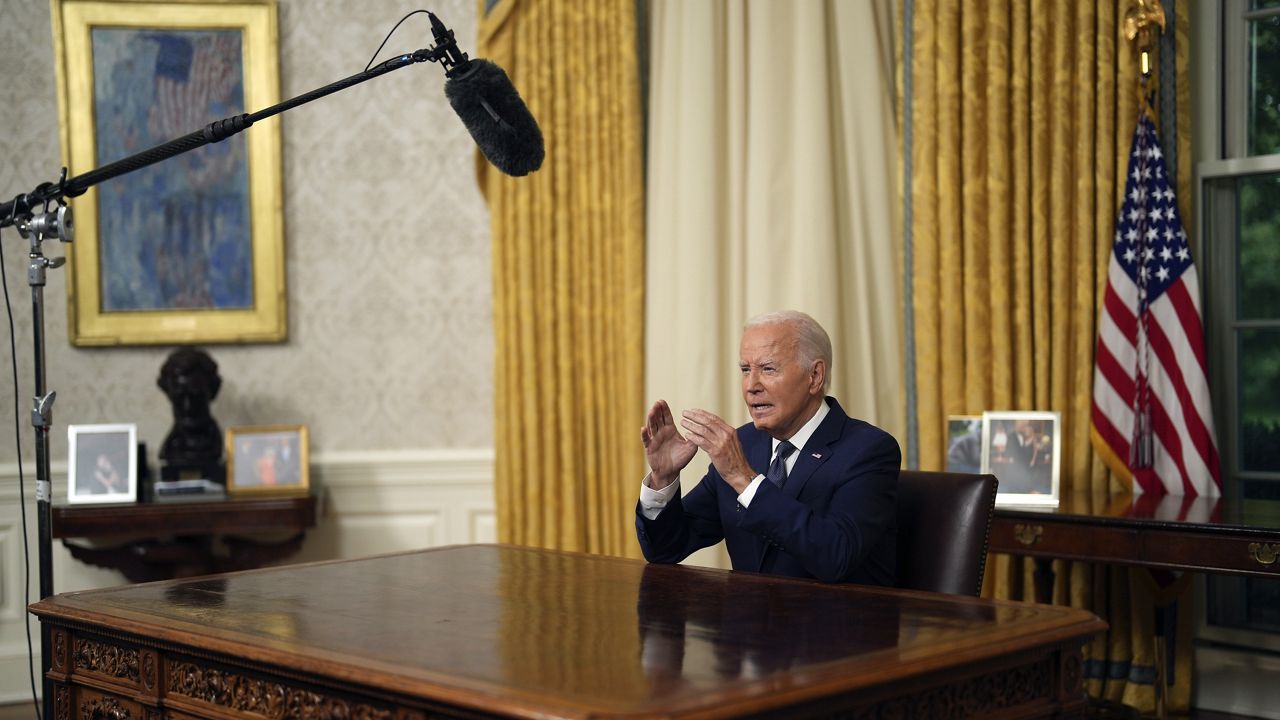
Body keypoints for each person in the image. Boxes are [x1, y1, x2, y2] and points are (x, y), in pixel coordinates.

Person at [635, 311, 901, 585]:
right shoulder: (744, 444)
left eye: (768, 369)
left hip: (835, 623)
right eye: (745, 370)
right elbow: (667, 548)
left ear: (815, 376)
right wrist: (663, 479)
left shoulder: (868, 450)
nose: (751, 386)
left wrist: (744, 479)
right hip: (749, 623)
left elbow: (836, 556)